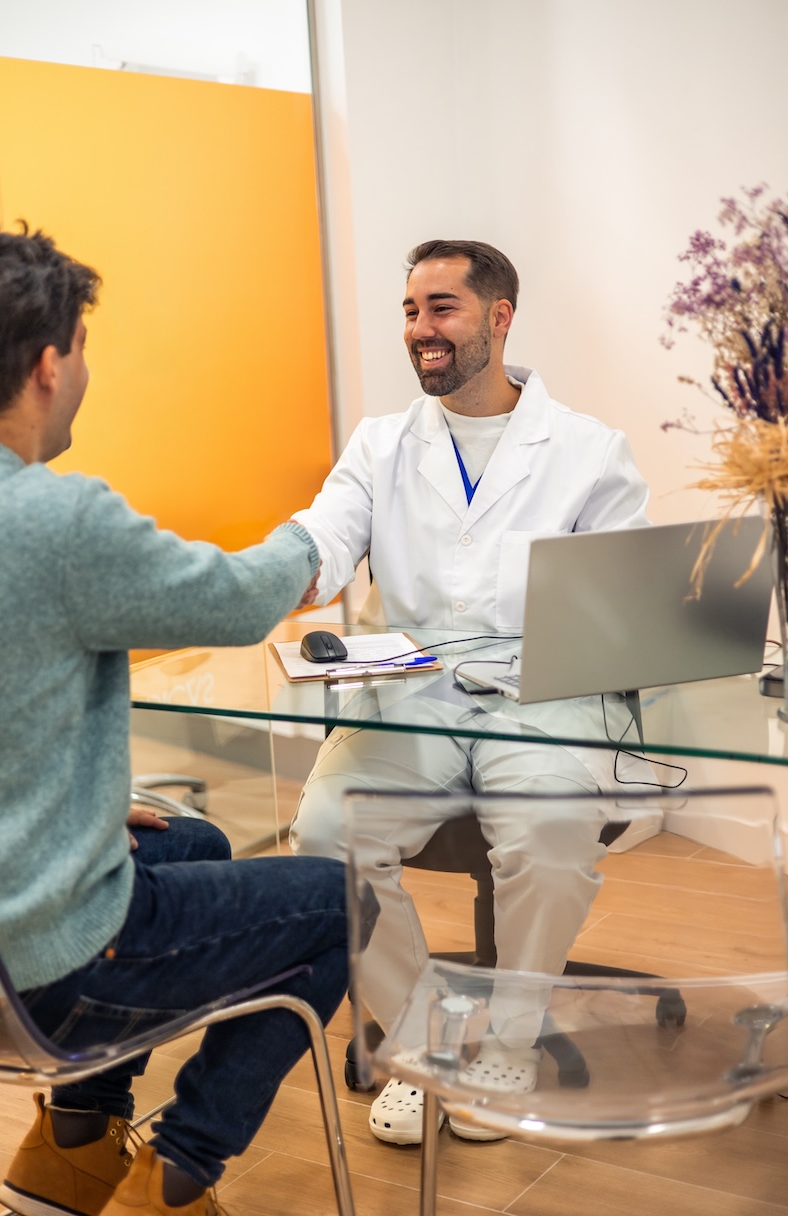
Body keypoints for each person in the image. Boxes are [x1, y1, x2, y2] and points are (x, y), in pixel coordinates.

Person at [0, 223, 363, 1216]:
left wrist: (88, 807)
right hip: (40, 975)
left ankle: (72, 1148)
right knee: (343, 900)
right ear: (49, 367)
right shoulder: (56, 520)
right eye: (82, 349)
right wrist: (324, 529)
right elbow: (239, 598)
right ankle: (177, 1176)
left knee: (194, 841)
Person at [289, 239, 653, 1145]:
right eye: (411, 311)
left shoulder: (587, 449)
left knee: (550, 833)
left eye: (442, 308)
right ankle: (424, 1044)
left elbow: (629, 600)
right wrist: (292, 568)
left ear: (500, 316)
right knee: (329, 834)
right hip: (413, 686)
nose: (421, 329)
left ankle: (510, 1042)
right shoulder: (381, 444)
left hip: (541, 690)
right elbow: (326, 532)